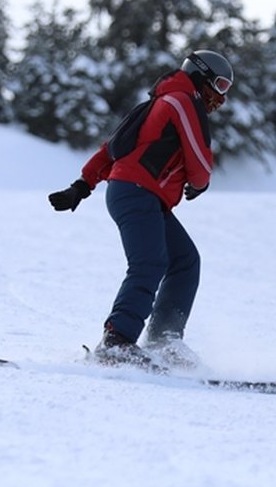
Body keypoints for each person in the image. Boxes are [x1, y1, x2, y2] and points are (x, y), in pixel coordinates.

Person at [48, 49, 233, 368]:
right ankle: (116, 341)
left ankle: (165, 341)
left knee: (184, 260)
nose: (221, 97)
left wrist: (81, 186)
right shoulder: (181, 100)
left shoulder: (156, 104)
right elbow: (200, 157)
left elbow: (112, 149)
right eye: (219, 85)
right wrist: (199, 183)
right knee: (149, 262)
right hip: (137, 192)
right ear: (200, 77)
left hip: (140, 195)